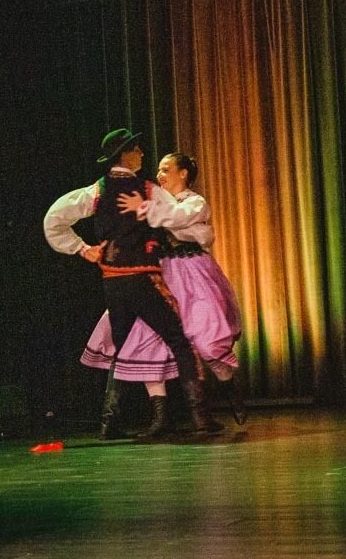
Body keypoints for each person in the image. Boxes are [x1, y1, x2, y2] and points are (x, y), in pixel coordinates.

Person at [44, 130, 216, 439]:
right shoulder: (148, 190)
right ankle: (200, 417)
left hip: (113, 282)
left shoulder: (95, 191)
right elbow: (177, 216)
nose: (141, 154)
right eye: (137, 150)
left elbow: (53, 219)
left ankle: (109, 422)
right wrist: (151, 210)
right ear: (126, 155)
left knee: (123, 348)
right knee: (178, 339)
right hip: (143, 278)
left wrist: (82, 249)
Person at [84, 151, 249, 432]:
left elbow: (180, 220)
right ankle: (159, 417)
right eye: (159, 170)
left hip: (192, 272)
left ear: (183, 173)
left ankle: (228, 389)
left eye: (166, 169)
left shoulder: (193, 202)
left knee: (207, 339)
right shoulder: (154, 197)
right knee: (144, 338)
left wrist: (146, 209)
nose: (160, 175)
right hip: (160, 271)